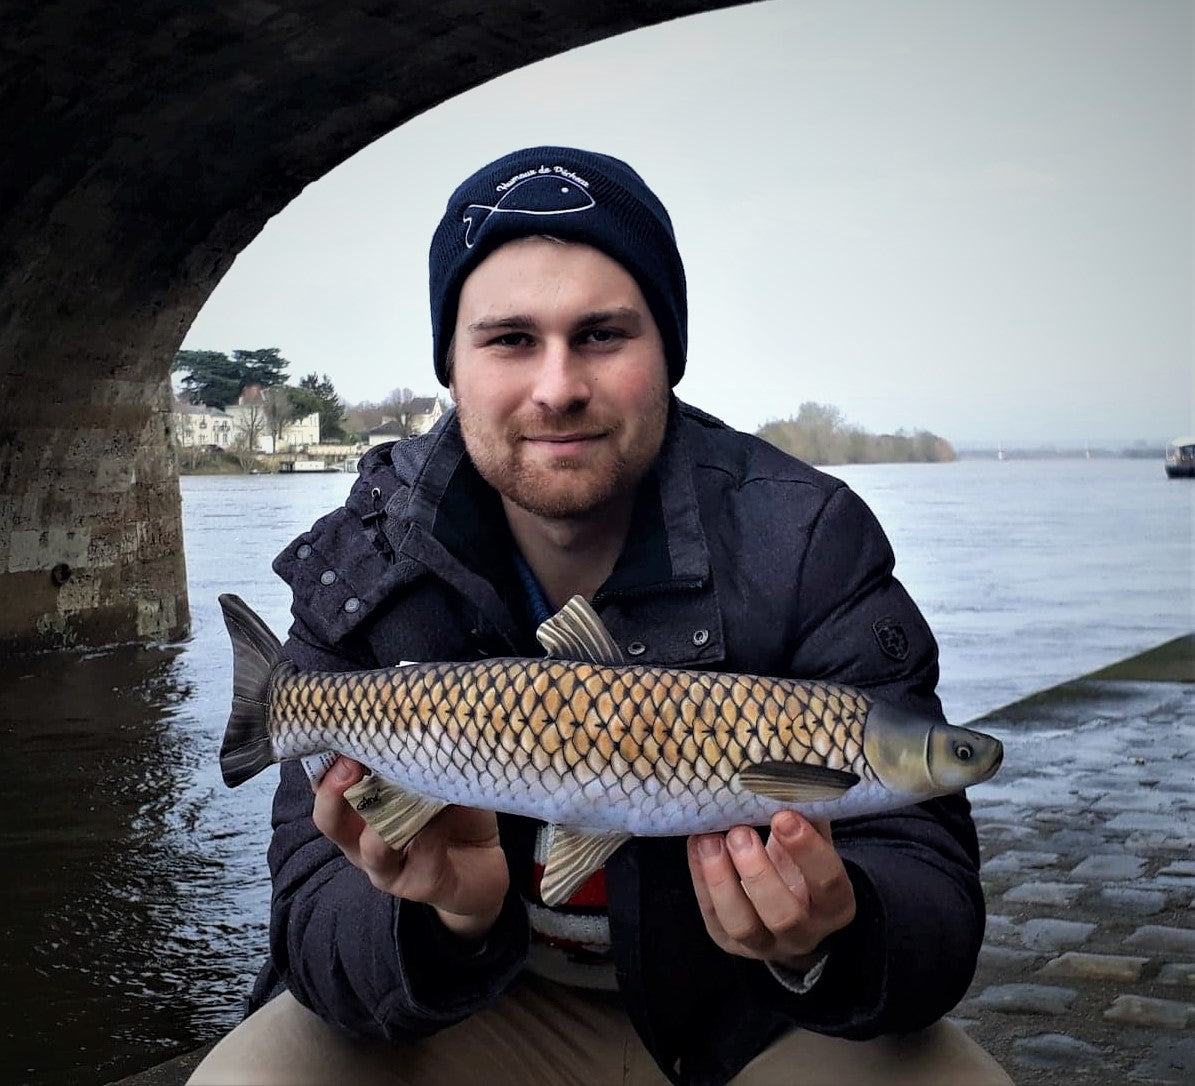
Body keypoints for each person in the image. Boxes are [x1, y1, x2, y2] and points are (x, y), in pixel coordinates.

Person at [189, 147, 1010, 1085]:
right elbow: (310, 924)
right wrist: (443, 918)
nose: (557, 388)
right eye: (508, 340)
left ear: (667, 354)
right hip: (485, 1004)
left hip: (748, 1015)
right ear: (451, 367)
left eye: (602, 335)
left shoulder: (809, 539)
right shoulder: (366, 557)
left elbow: (931, 902)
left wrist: (825, 933)